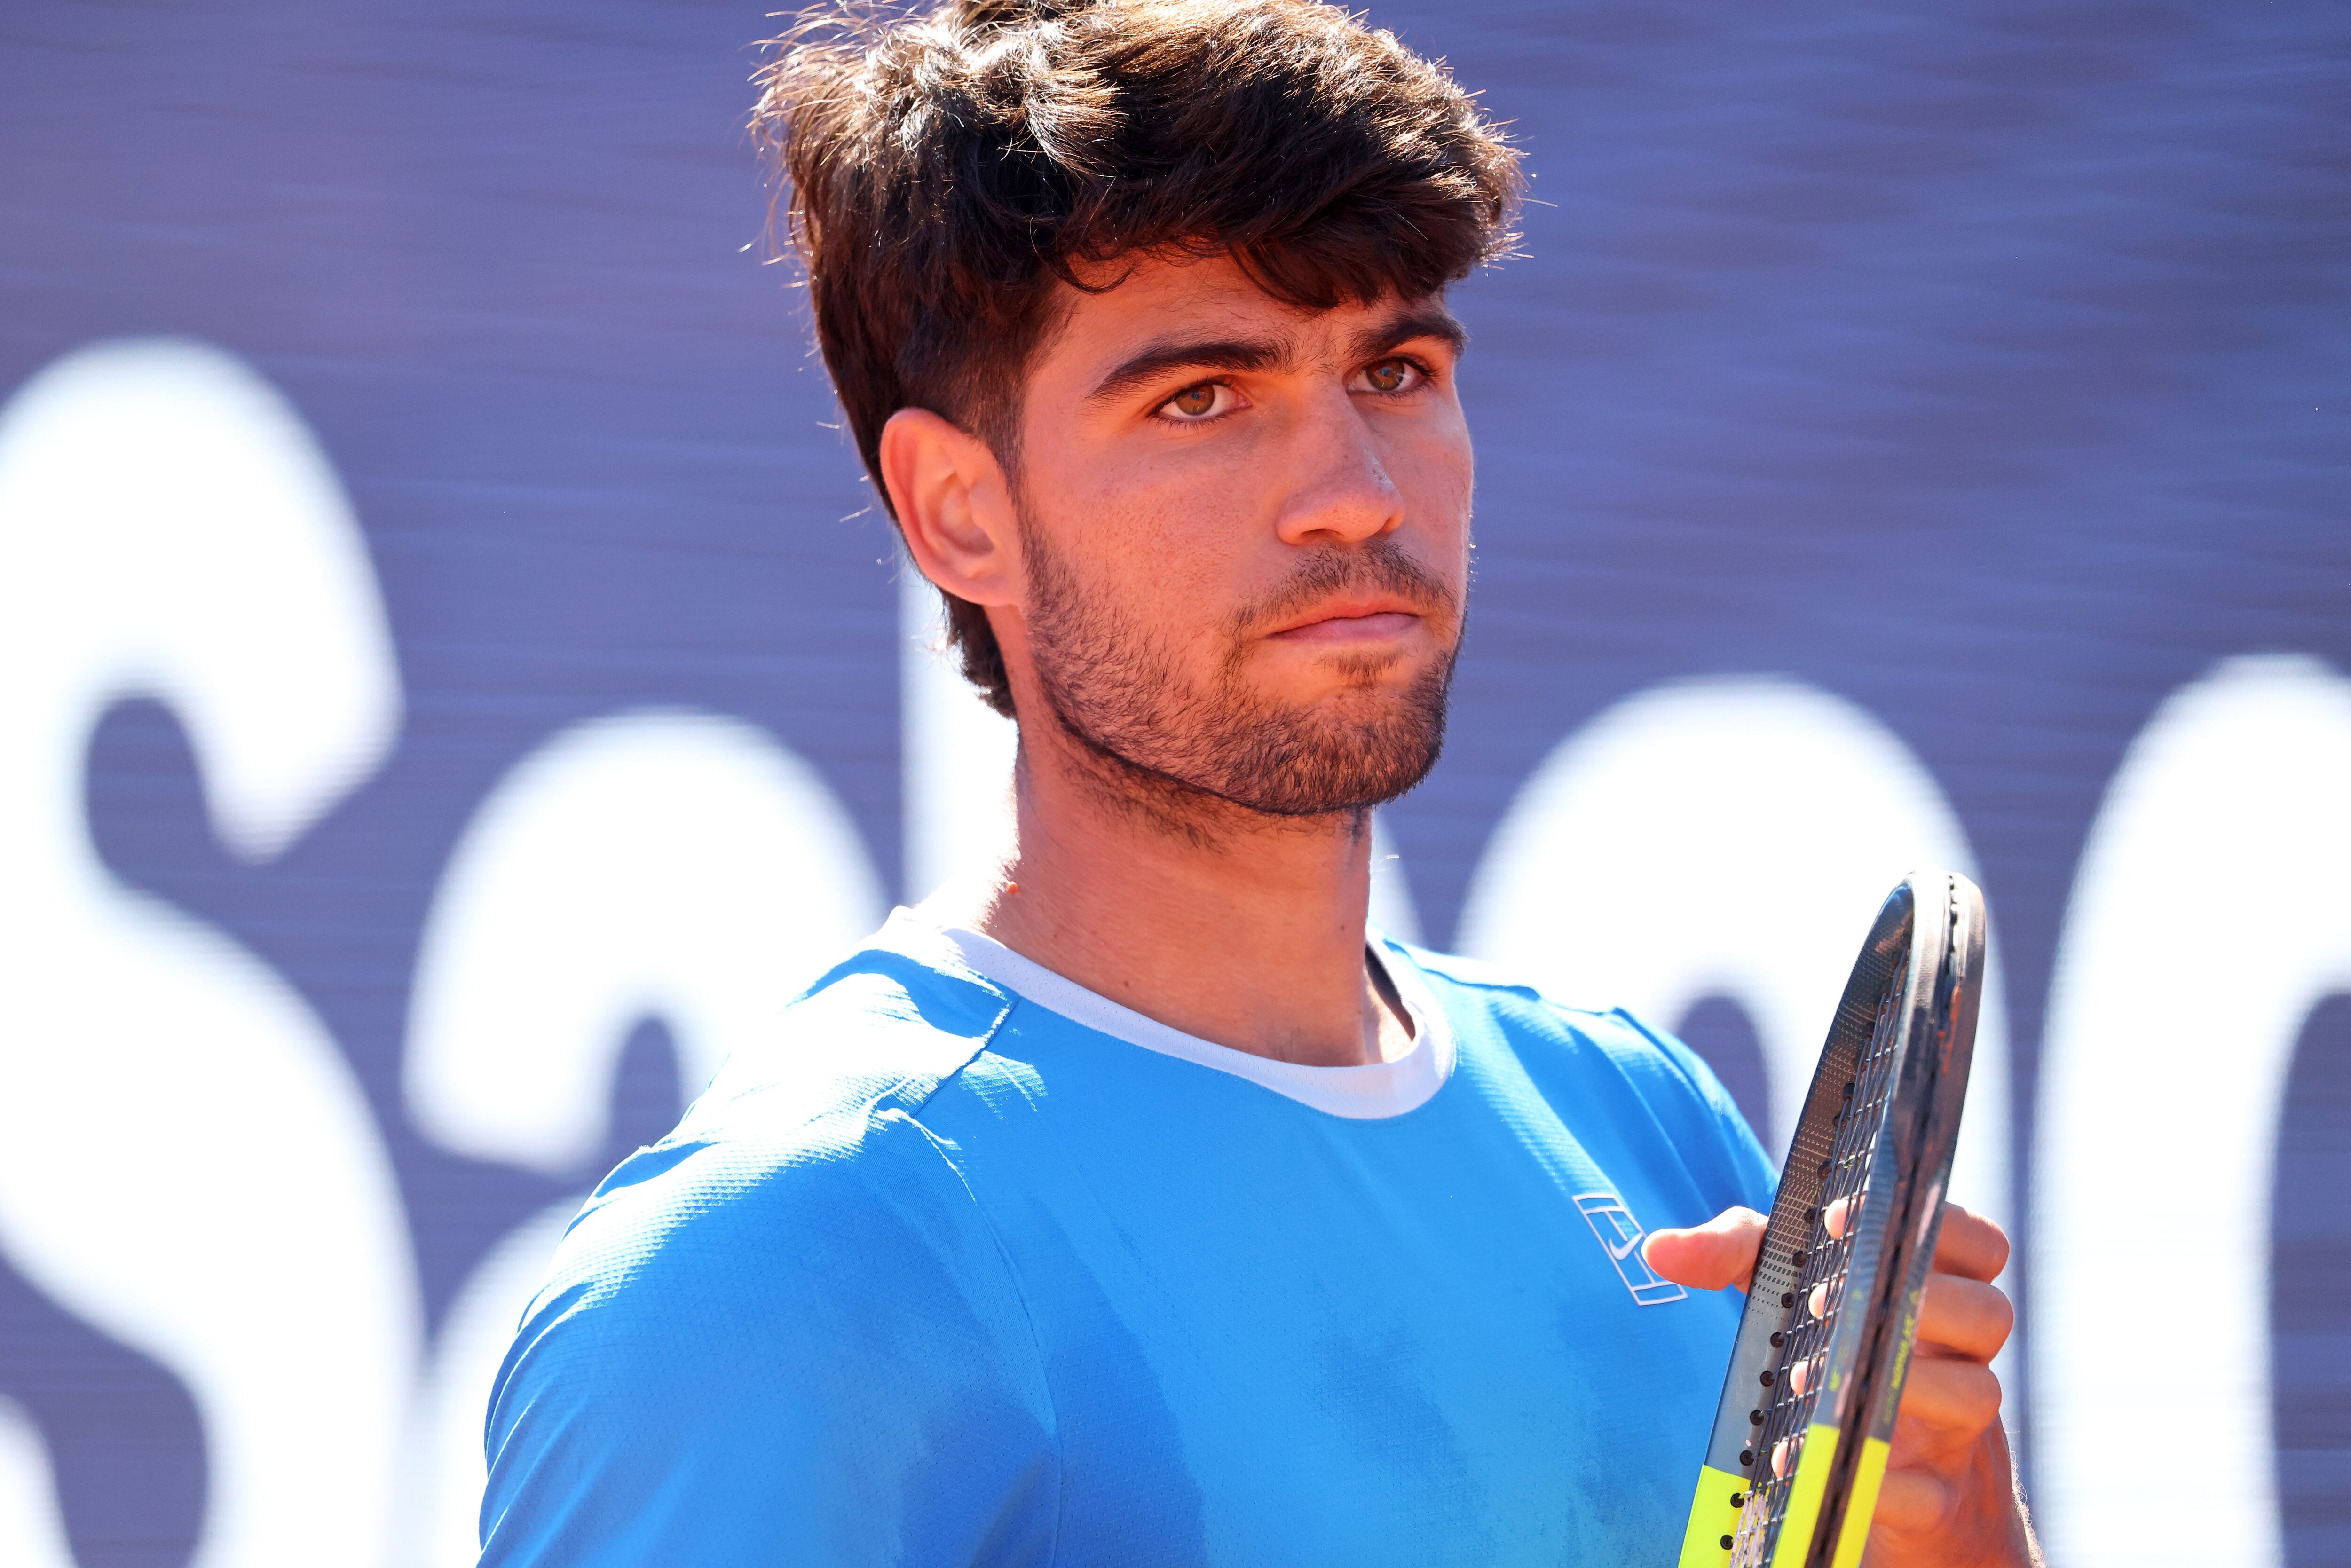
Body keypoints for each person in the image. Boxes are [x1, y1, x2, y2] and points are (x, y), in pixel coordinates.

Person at [478, 1, 2042, 1562]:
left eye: (1396, 369)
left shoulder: (1641, 1118)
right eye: (1204, 398)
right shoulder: (783, 1260)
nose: (1355, 494)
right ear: (959, 510)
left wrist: (1964, 1530)